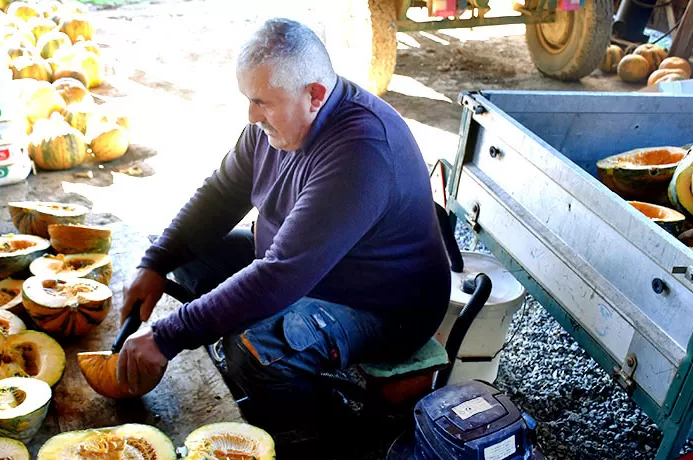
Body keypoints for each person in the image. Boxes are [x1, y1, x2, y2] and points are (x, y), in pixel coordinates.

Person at [117, 17, 451, 422]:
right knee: (187, 254)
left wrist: (169, 336)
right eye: (249, 99)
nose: (251, 116)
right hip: (305, 266)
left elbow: (279, 275)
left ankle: (325, 424)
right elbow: (220, 195)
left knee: (256, 352)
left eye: (262, 102)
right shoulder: (277, 123)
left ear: (314, 95)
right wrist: (156, 261)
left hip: (383, 307)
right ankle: (239, 334)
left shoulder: (362, 152)